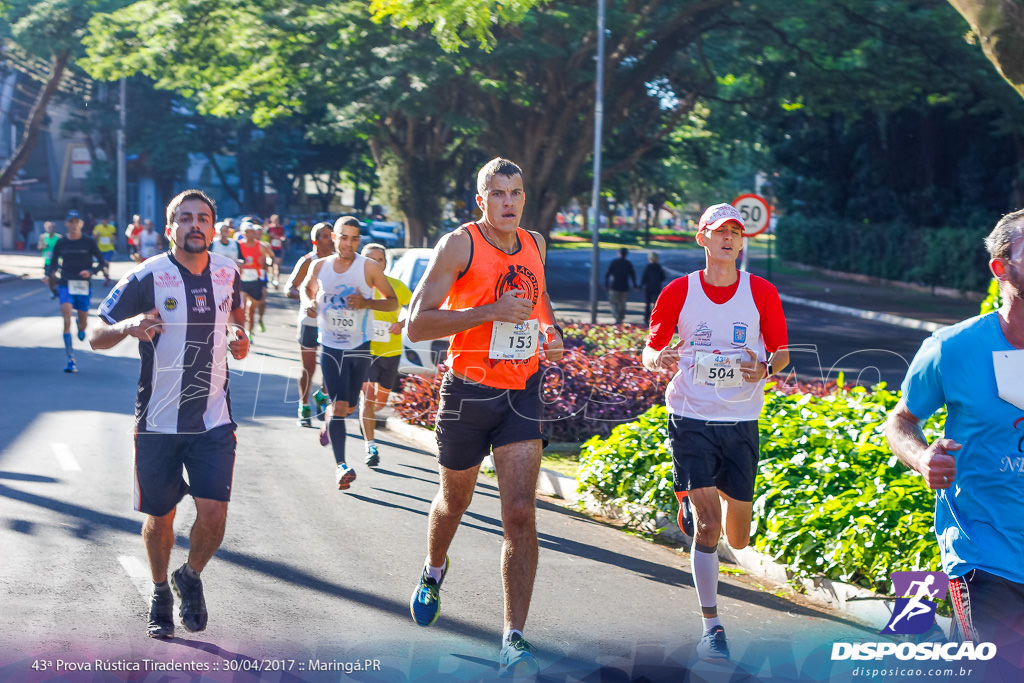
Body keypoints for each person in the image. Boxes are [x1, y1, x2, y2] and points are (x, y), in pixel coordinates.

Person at [405, 157, 564, 676]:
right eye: (498, 194)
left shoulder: (536, 244)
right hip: (467, 393)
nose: (509, 203)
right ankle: (433, 570)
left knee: (519, 512)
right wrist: (486, 313)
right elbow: (416, 325)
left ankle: (513, 638)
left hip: (522, 389)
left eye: (516, 193)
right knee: (455, 501)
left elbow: (541, 308)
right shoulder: (460, 244)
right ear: (481, 200)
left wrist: (553, 335)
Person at [90, 189, 249, 640]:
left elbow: (234, 316)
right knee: (161, 519)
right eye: (185, 218)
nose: (194, 225)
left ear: (213, 228)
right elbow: (95, 332)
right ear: (169, 228)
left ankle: (190, 575)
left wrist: (239, 336)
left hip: (213, 419)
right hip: (157, 423)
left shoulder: (227, 271)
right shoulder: (148, 275)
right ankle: (160, 590)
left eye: (202, 218)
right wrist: (128, 327)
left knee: (214, 516)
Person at [641, 202, 788, 661]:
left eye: (736, 233)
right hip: (691, 416)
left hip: (742, 421)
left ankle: (697, 504)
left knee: (737, 537)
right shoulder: (678, 292)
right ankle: (712, 625)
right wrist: (657, 360)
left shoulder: (760, 291)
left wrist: (762, 366)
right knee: (708, 527)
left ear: (742, 242)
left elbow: (782, 354)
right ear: (702, 239)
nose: (728, 239)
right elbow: (651, 348)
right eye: (719, 231)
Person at [885, 209, 1024, 680]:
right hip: (984, 551)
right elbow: (901, 420)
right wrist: (923, 456)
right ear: (1000, 267)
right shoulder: (952, 347)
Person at [303, 216, 397, 489]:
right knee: (341, 406)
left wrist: (366, 302)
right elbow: (306, 289)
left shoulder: (368, 267)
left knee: (352, 406)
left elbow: (392, 302)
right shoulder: (320, 266)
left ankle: (329, 412)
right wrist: (309, 303)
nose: (349, 243)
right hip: (330, 345)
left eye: (355, 238)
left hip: (360, 345)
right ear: (334, 237)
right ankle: (341, 467)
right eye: (344, 237)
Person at [359, 243, 413, 466]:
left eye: (379, 260)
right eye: (370, 260)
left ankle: (367, 416)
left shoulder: (397, 286)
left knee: (380, 401)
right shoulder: (357, 286)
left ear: (385, 263)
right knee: (368, 398)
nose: (375, 263)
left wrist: (401, 324)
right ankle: (370, 445)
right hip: (365, 350)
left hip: (390, 351)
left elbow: (415, 310)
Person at [43, 210, 107, 373]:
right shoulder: (61, 242)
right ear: (66, 224)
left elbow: (101, 262)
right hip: (65, 283)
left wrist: (90, 272)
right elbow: (53, 263)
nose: (74, 224)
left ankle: (81, 326)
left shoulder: (89, 242)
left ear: (81, 224)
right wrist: (48, 276)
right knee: (66, 318)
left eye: (76, 221)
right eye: (71, 221)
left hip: (83, 285)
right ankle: (71, 359)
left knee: (83, 322)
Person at [285, 221, 334, 427]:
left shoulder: (337, 262)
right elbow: (289, 288)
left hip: (332, 322)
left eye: (332, 235)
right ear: (315, 240)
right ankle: (303, 405)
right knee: (308, 368)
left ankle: (322, 397)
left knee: (330, 367)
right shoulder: (307, 261)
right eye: (325, 235)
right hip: (309, 322)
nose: (330, 239)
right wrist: (307, 301)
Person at [238, 224, 274, 338]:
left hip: (255, 279)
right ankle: (242, 332)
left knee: (252, 309)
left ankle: (251, 330)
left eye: (251, 232)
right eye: (247, 232)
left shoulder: (261, 246)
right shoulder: (238, 245)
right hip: (242, 280)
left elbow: (271, 258)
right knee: (242, 307)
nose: (249, 234)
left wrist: (265, 262)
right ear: (243, 233)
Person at [605, 247, 637, 325]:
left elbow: (608, 274)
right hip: (624, 286)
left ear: (619, 253)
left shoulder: (614, 262)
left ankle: (617, 317)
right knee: (622, 304)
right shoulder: (628, 263)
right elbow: (632, 275)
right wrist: (635, 285)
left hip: (614, 286)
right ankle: (621, 317)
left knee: (614, 303)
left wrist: (606, 284)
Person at [37, 221, 61, 299]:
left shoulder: (59, 237)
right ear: (46, 228)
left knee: (52, 276)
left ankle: (56, 288)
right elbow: (39, 247)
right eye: (49, 228)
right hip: (47, 260)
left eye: (52, 228)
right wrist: (43, 246)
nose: (51, 229)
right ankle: (53, 291)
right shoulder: (43, 237)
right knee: (49, 278)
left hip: (56, 260)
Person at [639, 251, 666, 320]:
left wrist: (640, 286)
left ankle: (646, 318)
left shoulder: (648, 267)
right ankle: (655, 318)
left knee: (647, 304)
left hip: (648, 288)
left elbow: (644, 277)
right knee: (656, 304)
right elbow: (663, 277)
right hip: (657, 287)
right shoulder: (659, 267)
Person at [93, 215, 118, 284]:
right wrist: (97, 234)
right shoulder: (97, 227)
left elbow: (115, 236)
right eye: (103, 221)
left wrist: (113, 238)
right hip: (100, 249)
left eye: (105, 221)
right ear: (101, 221)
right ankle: (106, 275)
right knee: (103, 263)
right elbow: (94, 237)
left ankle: (104, 274)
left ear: (107, 221)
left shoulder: (112, 228)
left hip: (109, 248)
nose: (104, 222)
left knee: (106, 262)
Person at [266, 214, 286, 288]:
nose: (276, 221)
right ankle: (272, 277)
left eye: (277, 220)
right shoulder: (269, 228)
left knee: (277, 265)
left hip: (278, 249)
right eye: (275, 220)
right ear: (272, 220)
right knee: (270, 265)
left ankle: (276, 280)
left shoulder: (281, 228)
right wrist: (270, 236)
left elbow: (283, 236)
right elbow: (265, 237)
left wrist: (282, 238)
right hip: (270, 249)